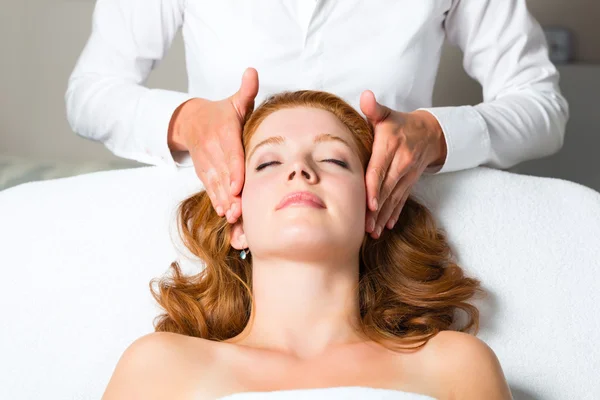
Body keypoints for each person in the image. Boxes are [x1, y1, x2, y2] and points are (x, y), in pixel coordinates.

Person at [101, 91, 513, 400]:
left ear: (376, 212)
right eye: (267, 162)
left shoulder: (456, 365)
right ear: (236, 223)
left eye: (334, 160)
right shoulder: (159, 366)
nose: (300, 169)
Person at [65, 1, 569, 240]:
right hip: (235, 236)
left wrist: (435, 134)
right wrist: (185, 121)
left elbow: (542, 108)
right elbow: (89, 94)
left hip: (384, 235)